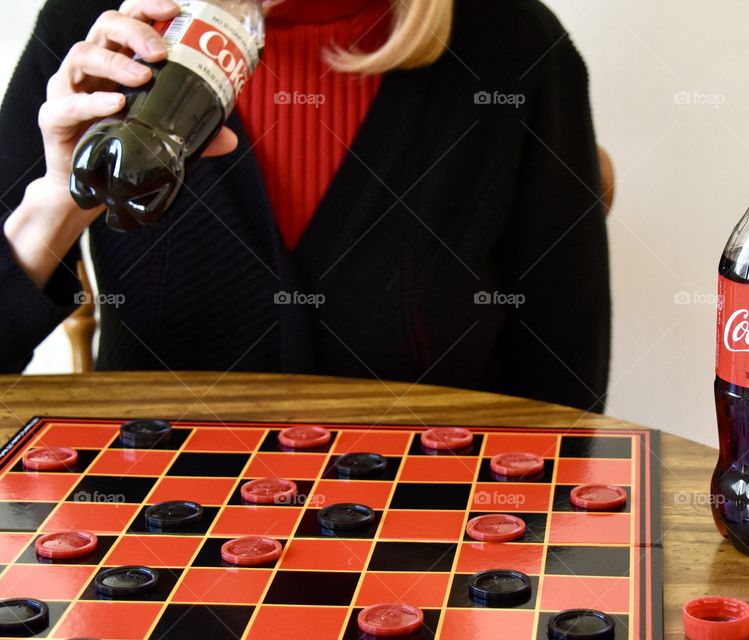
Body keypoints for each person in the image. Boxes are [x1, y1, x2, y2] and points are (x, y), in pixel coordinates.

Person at [0, 0, 611, 412]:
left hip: (424, 542)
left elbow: (564, 403)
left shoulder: (517, 49)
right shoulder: (98, 27)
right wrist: (58, 201)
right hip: (149, 533)